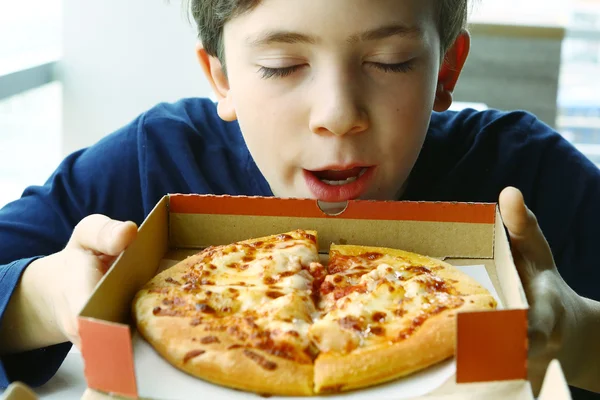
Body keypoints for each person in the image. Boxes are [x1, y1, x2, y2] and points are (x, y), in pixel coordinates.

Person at [0, 0, 599, 397]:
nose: (338, 115)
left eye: (389, 62)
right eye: (282, 65)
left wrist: (579, 332)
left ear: (446, 71)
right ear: (222, 78)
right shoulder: (152, 157)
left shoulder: (525, 169)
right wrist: (47, 296)